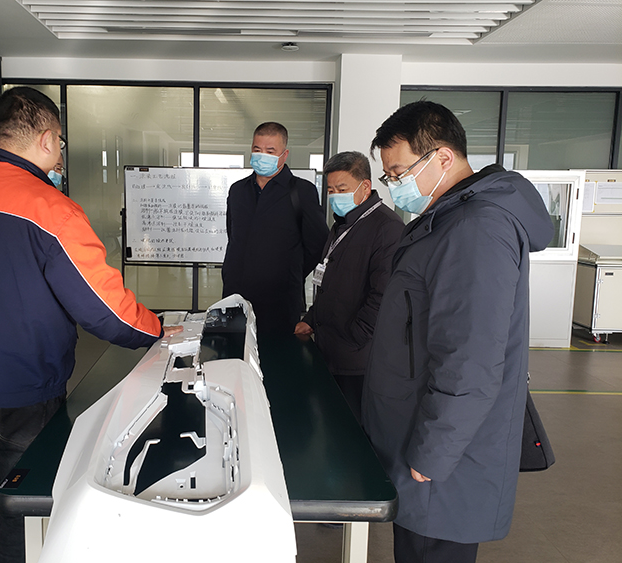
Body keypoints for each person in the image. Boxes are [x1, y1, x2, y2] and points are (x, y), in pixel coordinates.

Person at [0, 87, 181, 563]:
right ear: (49, 139)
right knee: (22, 497)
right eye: (61, 143)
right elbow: (103, 308)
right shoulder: (52, 209)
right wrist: (153, 328)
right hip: (24, 389)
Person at [361, 100, 554, 563]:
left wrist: (434, 452)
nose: (394, 185)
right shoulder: (447, 219)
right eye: (388, 176)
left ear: (443, 158)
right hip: (419, 435)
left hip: (442, 461)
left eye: (398, 173)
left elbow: (470, 360)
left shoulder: (475, 229)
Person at [294, 151, 403, 423]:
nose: (335, 196)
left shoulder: (387, 228)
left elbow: (383, 295)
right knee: (333, 421)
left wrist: (355, 336)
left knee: (354, 427)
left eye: (342, 189)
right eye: (331, 190)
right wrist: (311, 319)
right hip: (331, 348)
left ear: (365, 187)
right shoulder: (343, 223)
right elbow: (329, 279)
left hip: (358, 358)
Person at [222, 122, 329, 334]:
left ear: (284, 154)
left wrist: (290, 271)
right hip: (236, 296)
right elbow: (233, 235)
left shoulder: (301, 191)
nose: (262, 156)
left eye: (270, 151)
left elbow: (318, 244)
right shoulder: (238, 190)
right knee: (235, 351)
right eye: (257, 150)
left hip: (280, 300)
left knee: (278, 352)